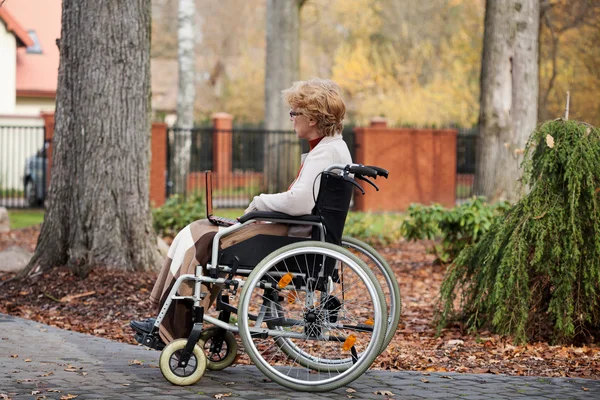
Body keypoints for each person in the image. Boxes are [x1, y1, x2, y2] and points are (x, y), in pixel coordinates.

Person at [130, 78, 352, 345]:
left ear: (313, 118)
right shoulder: (332, 148)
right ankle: (165, 318)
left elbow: (299, 203)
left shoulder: (325, 153)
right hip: (296, 231)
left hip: (291, 235)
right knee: (198, 229)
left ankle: (172, 329)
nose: (291, 118)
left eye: (295, 113)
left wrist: (260, 202)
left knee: (204, 239)